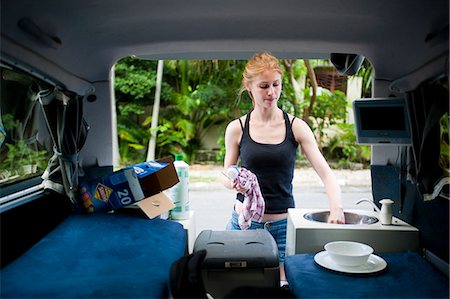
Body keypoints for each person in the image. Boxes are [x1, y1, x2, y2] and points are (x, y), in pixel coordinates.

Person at [223, 52, 345, 283]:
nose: (271, 92)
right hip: (243, 226)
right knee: (240, 288)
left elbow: (327, 175)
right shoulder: (236, 128)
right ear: (249, 86)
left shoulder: (296, 127)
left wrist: (336, 209)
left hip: (281, 229)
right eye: (264, 86)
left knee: (282, 289)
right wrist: (233, 181)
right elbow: (227, 171)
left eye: (276, 85)